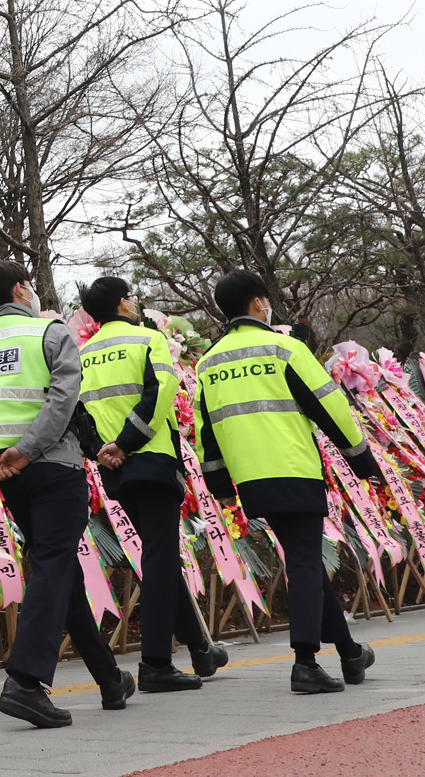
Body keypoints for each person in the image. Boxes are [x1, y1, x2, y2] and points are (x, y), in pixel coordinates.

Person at [0, 260, 132, 729]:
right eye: (29, 284)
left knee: (61, 571)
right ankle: (26, 683)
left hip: (11, 477)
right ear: (20, 289)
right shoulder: (49, 332)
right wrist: (28, 451)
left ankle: (110, 679)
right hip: (53, 468)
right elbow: (63, 400)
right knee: (54, 565)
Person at [195, 270, 382, 694]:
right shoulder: (285, 347)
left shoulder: (209, 362)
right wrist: (362, 459)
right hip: (294, 468)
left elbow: (206, 431)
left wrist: (220, 485)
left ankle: (351, 654)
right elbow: (329, 406)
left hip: (251, 479)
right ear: (260, 303)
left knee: (303, 558)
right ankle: (305, 663)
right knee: (302, 560)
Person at [75, 277, 231, 692]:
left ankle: (199, 647)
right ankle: (157, 663)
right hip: (152, 460)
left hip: (114, 470)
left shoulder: (83, 354)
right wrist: (127, 443)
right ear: (124, 302)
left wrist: (103, 451)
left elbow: (78, 414)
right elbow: (160, 392)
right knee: (160, 558)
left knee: (157, 555)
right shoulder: (148, 339)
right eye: (132, 296)